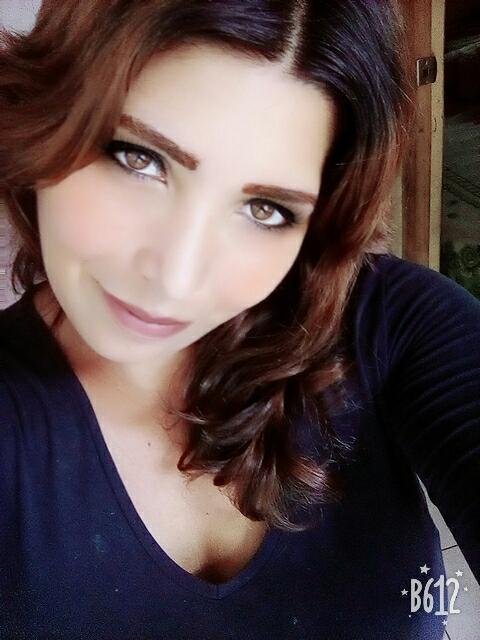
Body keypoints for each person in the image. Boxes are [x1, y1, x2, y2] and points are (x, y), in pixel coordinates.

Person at [0, 1, 478, 638]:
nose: (176, 278)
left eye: (266, 209)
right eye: (139, 158)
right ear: (48, 117)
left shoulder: (394, 323)